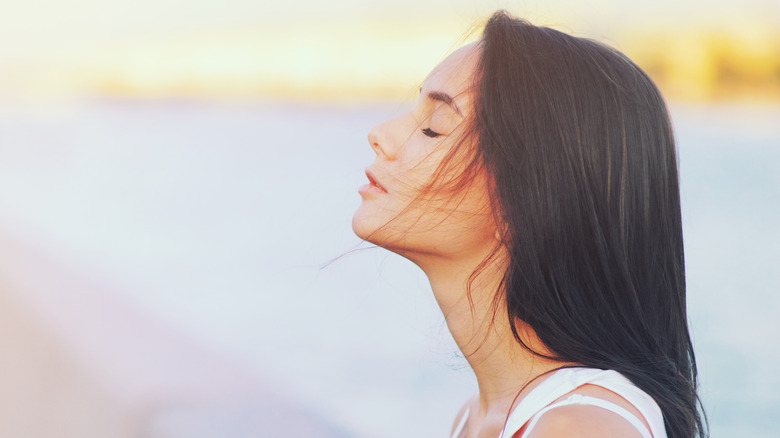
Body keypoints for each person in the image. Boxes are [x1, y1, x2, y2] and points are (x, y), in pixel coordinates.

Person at [352, 10, 705, 438]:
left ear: (528, 196)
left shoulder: (580, 427)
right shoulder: (479, 418)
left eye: (434, 126)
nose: (379, 134)